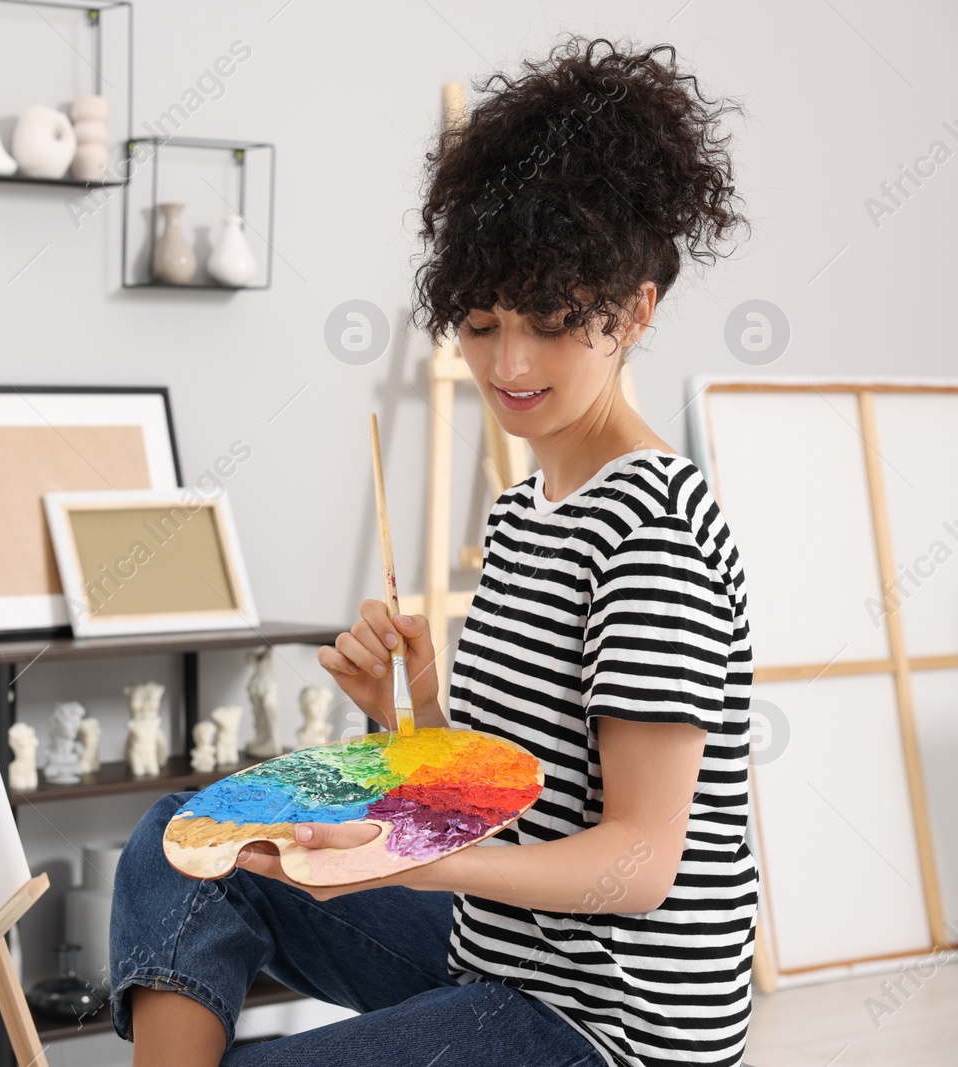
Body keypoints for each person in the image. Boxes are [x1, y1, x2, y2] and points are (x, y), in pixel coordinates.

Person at [108, 33, 757, 1067]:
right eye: (483, 318)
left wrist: (409, 859)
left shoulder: (652, 533)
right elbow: (527, 785)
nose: (508, 361)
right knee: (186, 842)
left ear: (634, 310)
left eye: (550, 323)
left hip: (609, 1025)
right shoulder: (525, 506)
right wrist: (409, 714)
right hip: (503, 956)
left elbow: (636, 862)